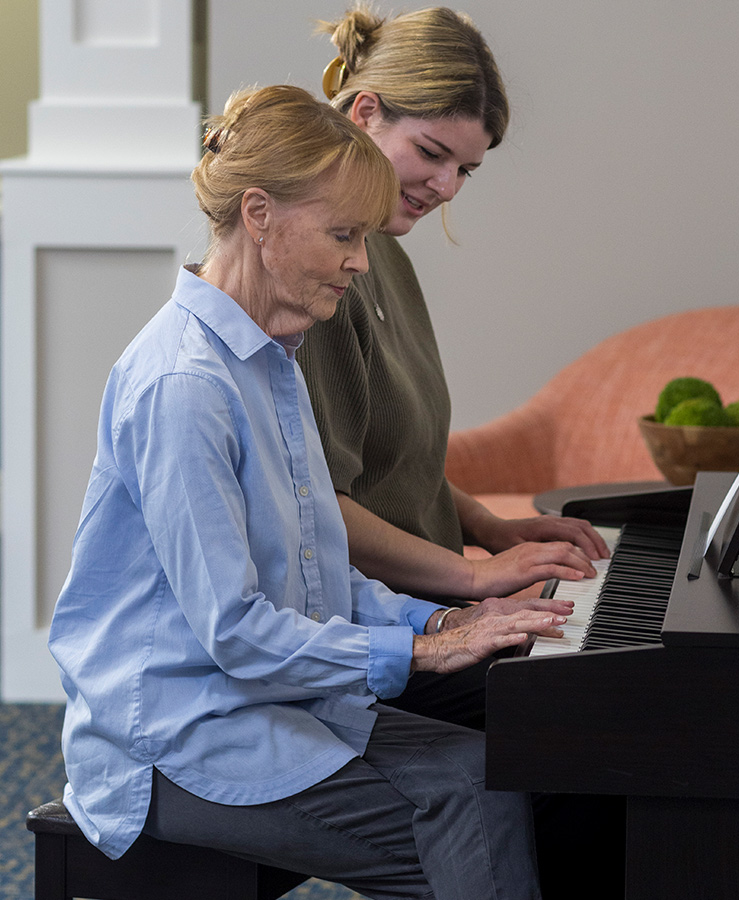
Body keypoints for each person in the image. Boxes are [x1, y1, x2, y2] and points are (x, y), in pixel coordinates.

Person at [48, 84, 572, 899]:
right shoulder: (185, 385)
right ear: (259, 215)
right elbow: (236, 632)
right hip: (178, 737)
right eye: (343, 235)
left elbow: (314, 575)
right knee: (483, 826)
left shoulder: (269, 358)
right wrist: (427, 650)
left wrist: (440, 618)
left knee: (497, 779)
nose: (361, 262)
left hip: (263, 703)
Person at [298, 4, 609, 611]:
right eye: (432, 152)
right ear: (365, 112)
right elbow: (316, 510)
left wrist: (494, 532)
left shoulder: (380, 251)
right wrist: (470, 581)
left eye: (465, 169)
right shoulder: (318, 274)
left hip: (428, 599)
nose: (446, 188)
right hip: (375, 621)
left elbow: (397, 469)